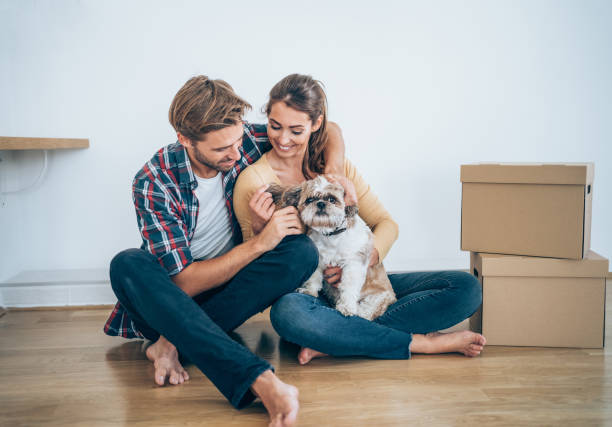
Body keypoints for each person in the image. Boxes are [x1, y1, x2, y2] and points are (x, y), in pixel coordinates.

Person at [103, 75, 346, 427]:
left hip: (228, 296)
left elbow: (329, 128)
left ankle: (171, 343)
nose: (236, 154)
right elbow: (183, 283)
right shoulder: (153, 181)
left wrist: (335, 171)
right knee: (127, 264)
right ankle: (260, 381)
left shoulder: (239, 138)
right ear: (185, 139)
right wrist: (259, 244)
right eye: (221, 150)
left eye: (237, 141)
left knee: (301, 251)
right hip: (168, 301)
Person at [233, 74, 486, 366]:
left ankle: (338, 340)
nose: (283, 139)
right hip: (309, 296)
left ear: (316, 125)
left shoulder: (338, 169)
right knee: (288, 315)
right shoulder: (254, 181)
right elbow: (252, 276)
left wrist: (362, 261)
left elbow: (386, 224)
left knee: (465, 288)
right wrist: (258, 228)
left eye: (296, 130)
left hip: (360, 282)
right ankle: (419, 343)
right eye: (275, 127)